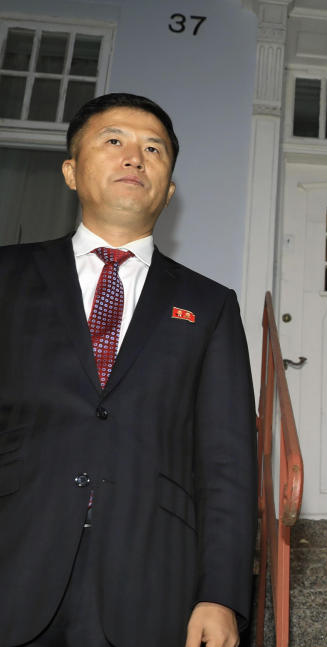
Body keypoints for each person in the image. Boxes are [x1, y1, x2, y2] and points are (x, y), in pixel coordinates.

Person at [0, 93, 257, 647]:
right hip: (14, 554)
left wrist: (222, 594)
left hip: (150, 575)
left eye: (153, 149)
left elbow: (228, 459)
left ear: (168, 188)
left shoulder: (210, 305)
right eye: (113, 141)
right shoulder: (7, 274)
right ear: (71, 171)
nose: (134, 157)